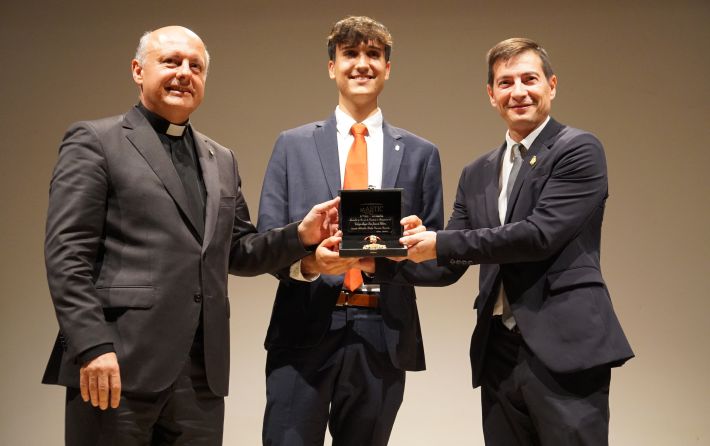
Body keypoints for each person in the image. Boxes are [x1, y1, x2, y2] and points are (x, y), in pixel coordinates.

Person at [42, 25, 339, 445]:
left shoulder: (221, 159)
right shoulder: (95, 141)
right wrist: (91, 346)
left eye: (195, 66)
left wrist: (300, 236)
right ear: (137, 70)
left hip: (201, 377)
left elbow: (238, 250)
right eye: (171, 62)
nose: (185, 73)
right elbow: (67, 255)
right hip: (118, 364)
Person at [387, 38, 634, 445]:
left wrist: (440, 241)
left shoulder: (579, 150)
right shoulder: (477, 172)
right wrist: (382, 254)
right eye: (505, 82)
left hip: (565, 347)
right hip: (497, 348)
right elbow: (449, 263)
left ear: (552, 85)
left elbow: (538, 236)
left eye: (529, 79)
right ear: (491, 94)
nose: (518, 92)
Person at [257, 16, 443, 446]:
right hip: (303, 326)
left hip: (383, 332)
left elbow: (441, 263)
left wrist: (410, 250)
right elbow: (266, 242)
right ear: (331, 66)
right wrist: (309, 263)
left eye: (373, 54)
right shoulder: (292, 145)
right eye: (351, 54)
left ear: (388, 68)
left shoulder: (420, 154)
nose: (362, 64)